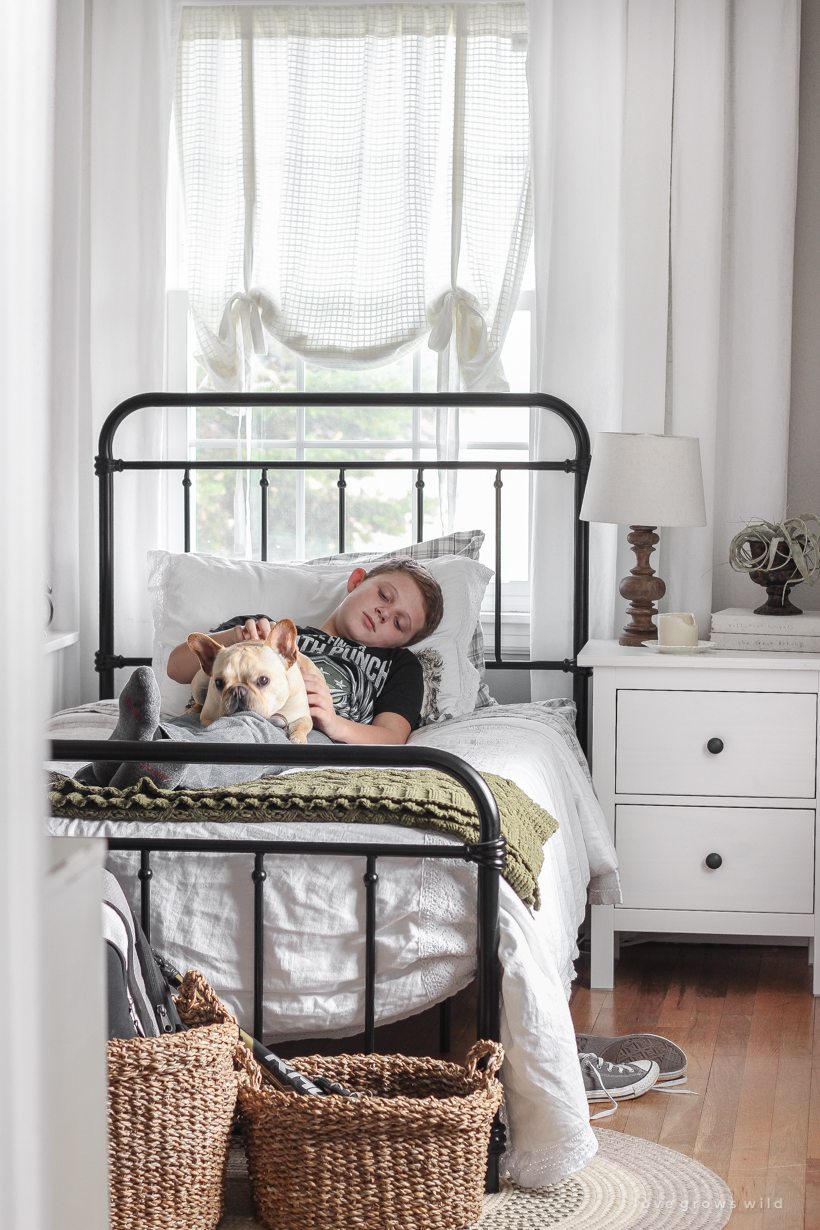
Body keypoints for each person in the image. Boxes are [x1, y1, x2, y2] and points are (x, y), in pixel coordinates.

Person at [87, 558, 443, 790]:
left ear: (404, 642)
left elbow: (393, 736)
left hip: (300, 732)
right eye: (384, 595)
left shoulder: (399, 665)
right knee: (190, 725)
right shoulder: (269, 634)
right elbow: (176, 667)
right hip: (217, 713)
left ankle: (162, 762)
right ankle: (112, 768)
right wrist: (235, 638)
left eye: (399, 622)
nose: (384, 613)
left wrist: (335, 723)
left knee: (255, 731)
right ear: (355, 581)